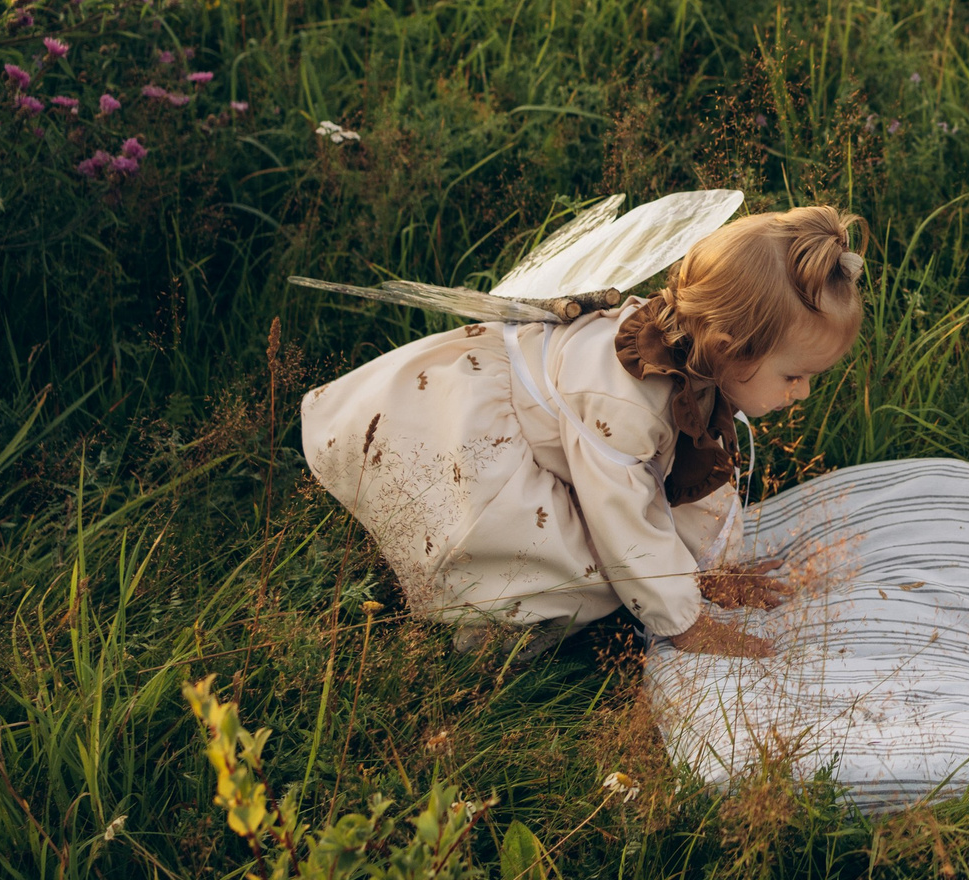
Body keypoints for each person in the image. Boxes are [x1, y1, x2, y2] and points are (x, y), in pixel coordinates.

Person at [301, 206, 864, 659]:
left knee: (631, 538)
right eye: (795, 376)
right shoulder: (626, 399)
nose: (803, 393)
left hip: (569, 438)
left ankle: (664, 587)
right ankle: (482, 645)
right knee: (581, 565)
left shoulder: (701, 362)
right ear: (727, 348)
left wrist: (712, 570)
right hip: (478, 434)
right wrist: (684, 623)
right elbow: (627, 519)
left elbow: (691, 479)